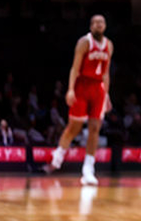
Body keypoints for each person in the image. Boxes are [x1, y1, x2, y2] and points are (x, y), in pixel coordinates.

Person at [46, 15, 112, 185]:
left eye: (101, 22)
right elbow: (75, 68)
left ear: (105, 26)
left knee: (95, 128)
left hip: (98, 88)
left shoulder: (109, 45)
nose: (99, 25)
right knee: (74, 127)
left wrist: (107, 95)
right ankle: (57, 157)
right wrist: (70, 90)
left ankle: (88, 170)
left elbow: (106, 73)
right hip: (82, 85)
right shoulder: (84, 42)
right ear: (91, 26)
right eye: (96, 23)